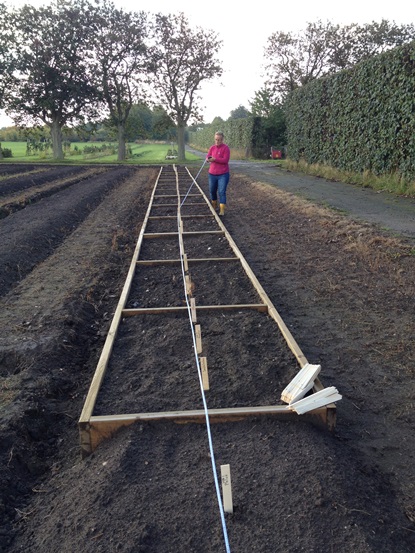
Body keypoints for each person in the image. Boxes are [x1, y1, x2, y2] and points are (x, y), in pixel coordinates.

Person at [206, 131, 230, 216]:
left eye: (219, 140)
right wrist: (208, 159)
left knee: (221, 191)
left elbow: (225, 160)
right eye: (216, 139)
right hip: (212, 174)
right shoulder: (212, 148)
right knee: (212, 191)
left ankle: (222, 210)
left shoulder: (226, 148)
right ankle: (214, 205)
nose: (217, 141)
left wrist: (215, 159)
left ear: (222, 139)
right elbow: (208, 156)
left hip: (223, 174)